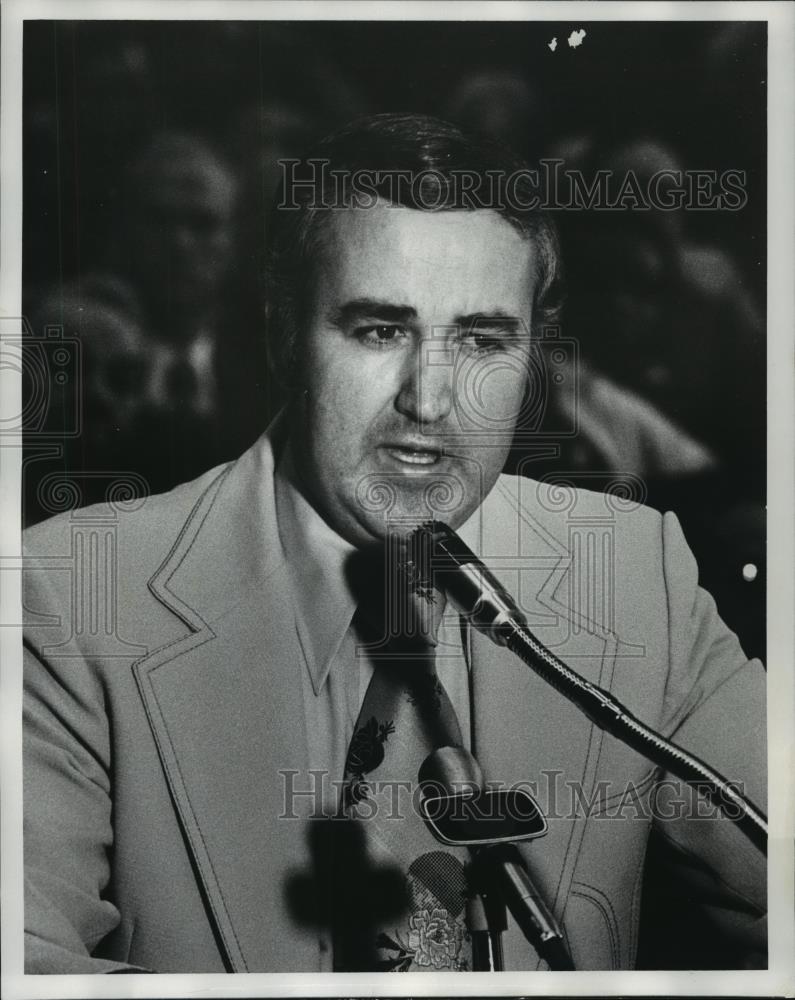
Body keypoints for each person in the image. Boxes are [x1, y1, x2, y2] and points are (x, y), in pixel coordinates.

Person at [22, 113, 766, 974]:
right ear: (281, 334)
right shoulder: (72, 598)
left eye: (483, 340)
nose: (431, 399)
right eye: (379, 330)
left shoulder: (637, 578)